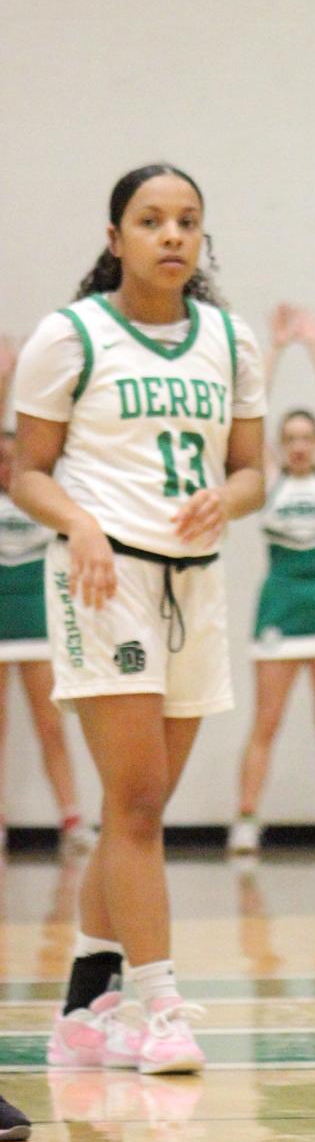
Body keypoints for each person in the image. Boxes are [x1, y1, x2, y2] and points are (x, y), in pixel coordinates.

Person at [11, 164, 265, 1076]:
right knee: (139, 804)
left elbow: (253, 471)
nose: (171, 235)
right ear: (114, 237)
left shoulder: (231, 340)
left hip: (195, 584)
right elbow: (27, 469)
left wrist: (224, 500)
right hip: (103, 578)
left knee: (136, 809)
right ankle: (157, 1006)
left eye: (187, 221)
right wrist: (79, 522)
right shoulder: (70, 335)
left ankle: (87, 1010)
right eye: (151, 220)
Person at [230, 305, 315, 857]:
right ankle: (245, 820)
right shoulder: (269, 479)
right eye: (291, 438)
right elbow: (250, 411)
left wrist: (314, 348)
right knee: (266, 721)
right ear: (282, 445)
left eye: (308, 437)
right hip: (281, 609)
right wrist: (277, 349)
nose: (301, 445)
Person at [0, 336, 85, 849]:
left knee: (50, 726)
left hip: (37, 620)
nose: (7, 465)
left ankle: (72, 818)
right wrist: (6, 381)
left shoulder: (42, 494)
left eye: (14, 458)